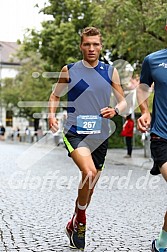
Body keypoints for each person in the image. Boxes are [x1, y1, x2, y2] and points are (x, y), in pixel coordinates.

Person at [48, 27, 126, 250]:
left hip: (100, 135)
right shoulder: (70, 70)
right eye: (87, 44)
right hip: (75, 130)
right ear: (81, 46)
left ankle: (74, 220)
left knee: (89, 187)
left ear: (101, 46)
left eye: (95, 44)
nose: (91, 48)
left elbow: (122, 101)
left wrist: (115, 110)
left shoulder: (110, 72)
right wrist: (51, 115)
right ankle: (81, 221)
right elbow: (55, 95)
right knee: (88, 172)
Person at [137, 23, 167, 252]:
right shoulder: (153, 60)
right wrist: (145, 111)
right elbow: (143, 87)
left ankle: (162, 242)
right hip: (162, 136)